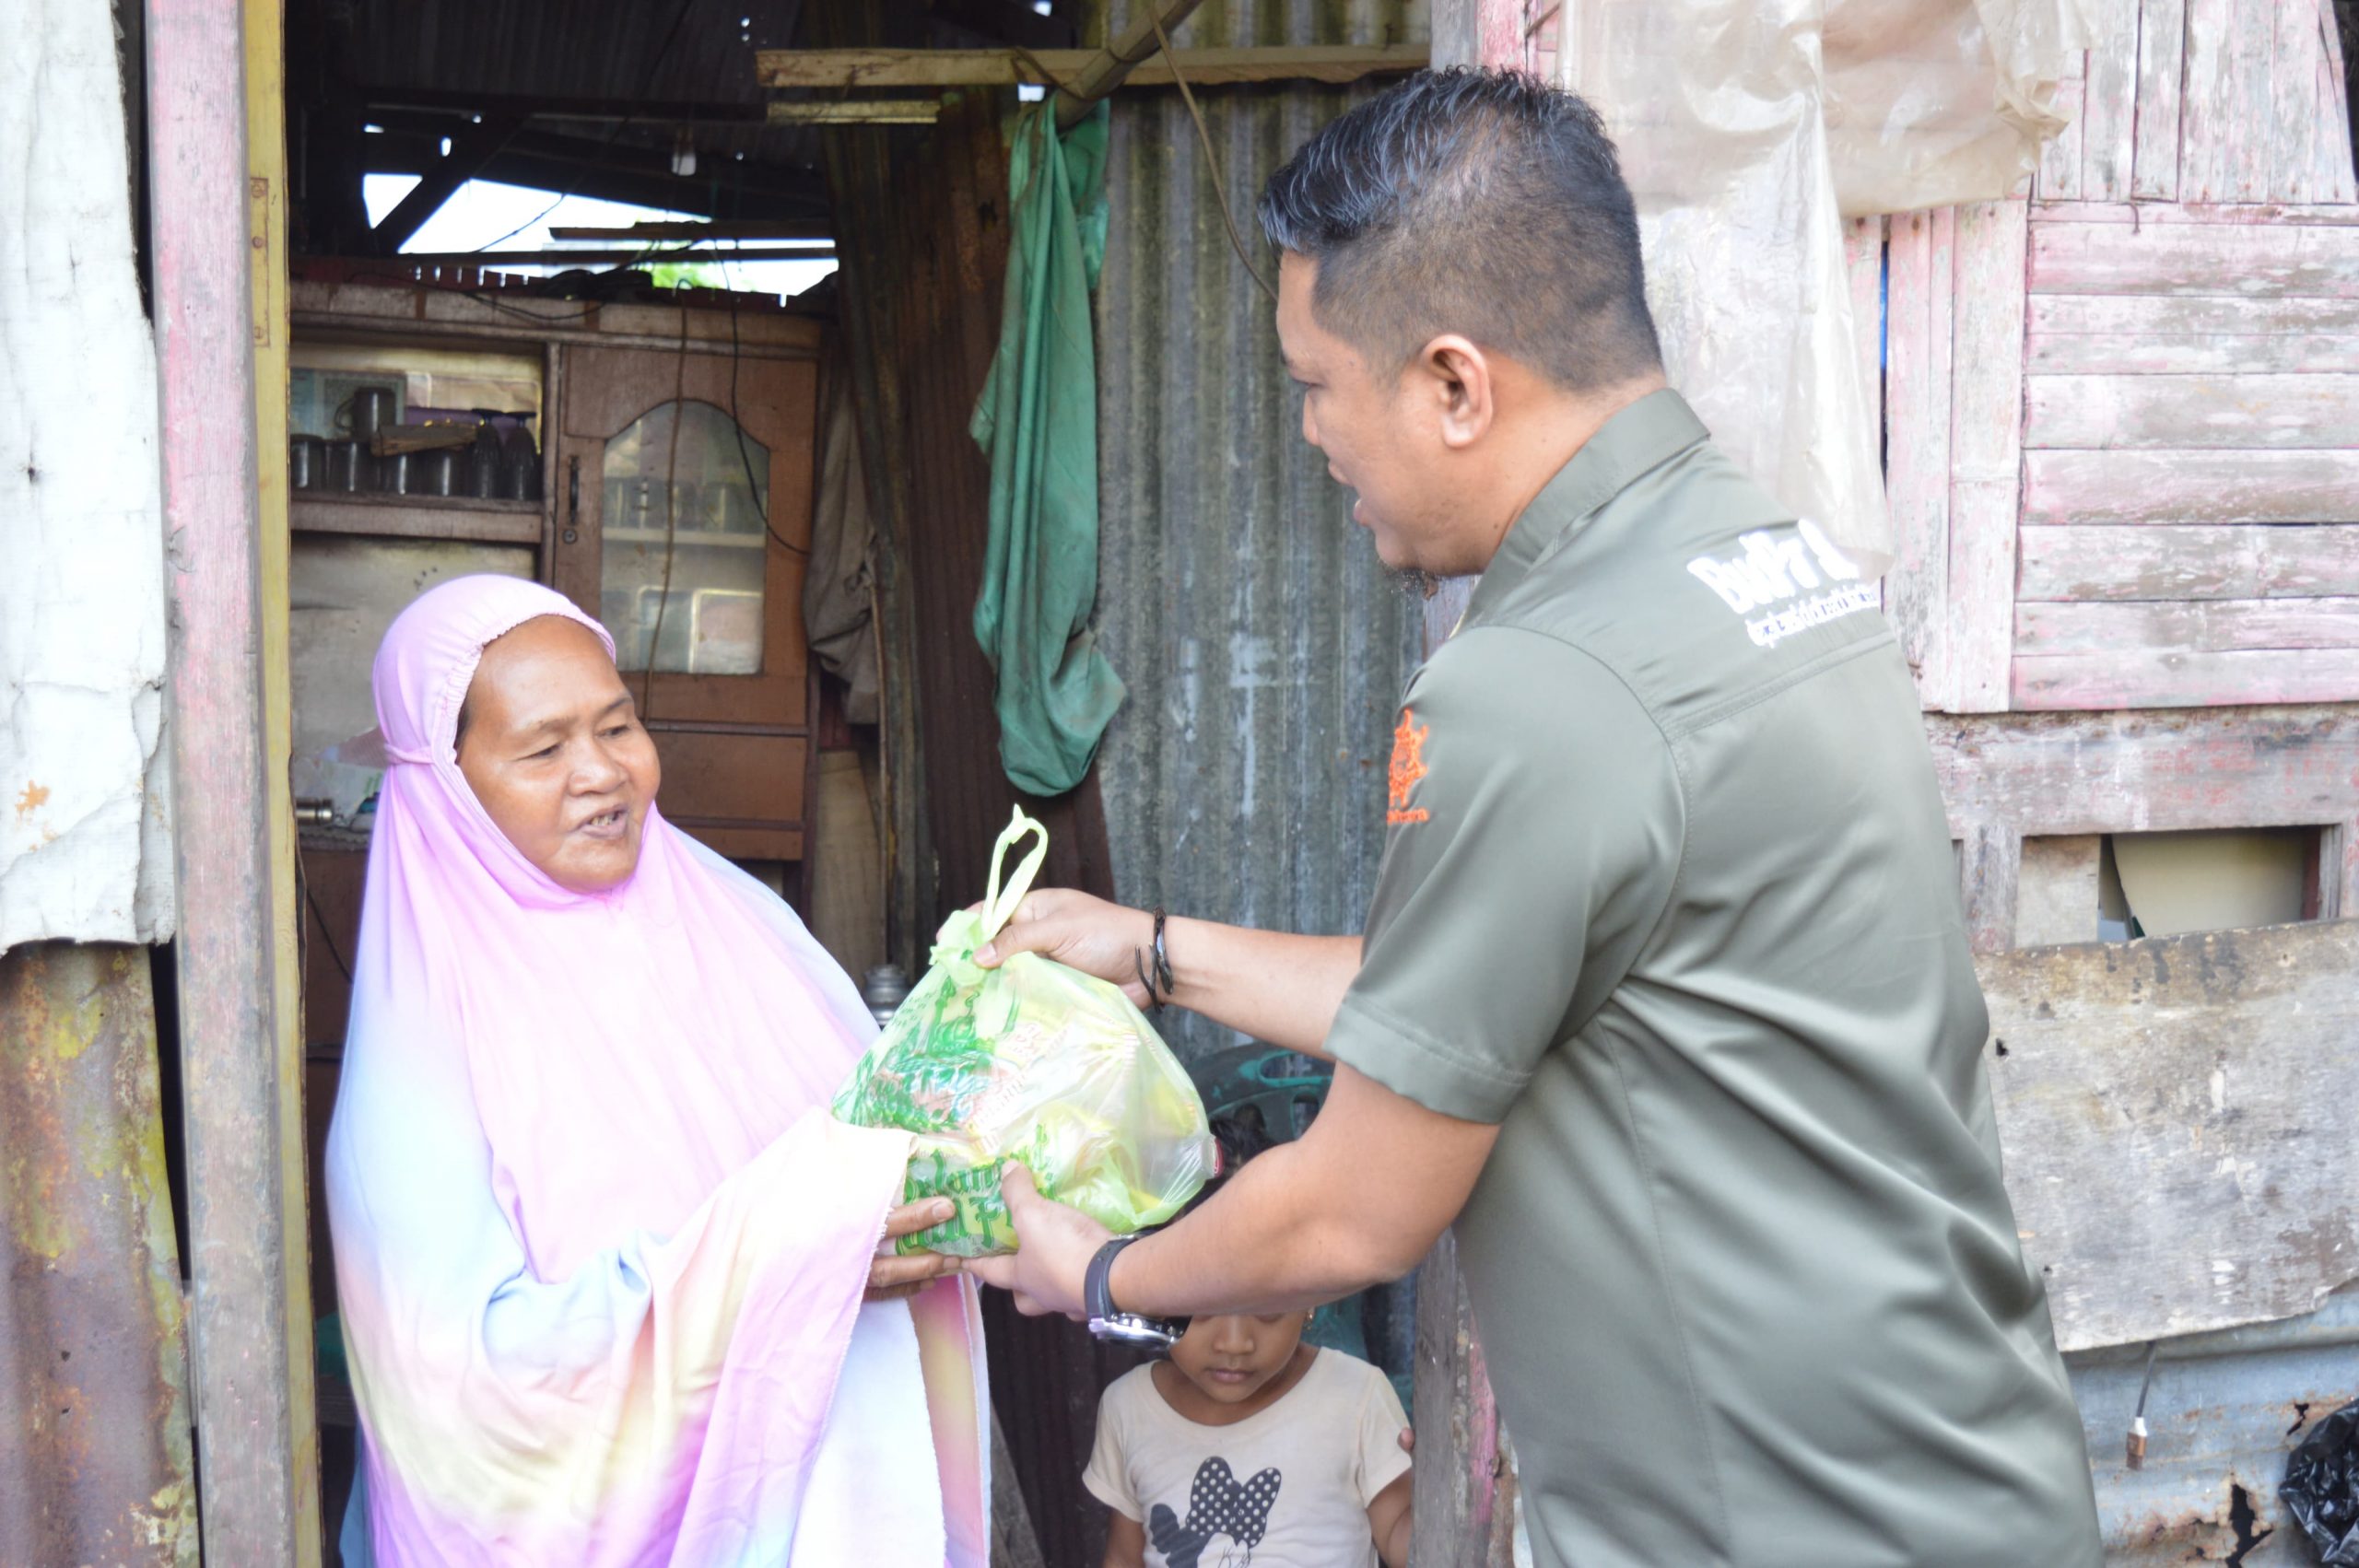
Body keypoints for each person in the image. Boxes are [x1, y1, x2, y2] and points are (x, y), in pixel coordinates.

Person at [970, 67, 2106, 1568]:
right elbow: (1479, 1004)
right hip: (1963, 1484)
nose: (1311, 434)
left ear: (1455, 384)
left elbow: (1354, 1209)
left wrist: (1104, 1270)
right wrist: (1152, 948)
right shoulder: (1760, 568)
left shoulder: (1534, 682)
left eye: (1317, 384)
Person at [324, 575, 982, 1566]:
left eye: (618, 726)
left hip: (845, 1490)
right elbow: (458, 1394)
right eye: (543, 749)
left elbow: (876, 1136)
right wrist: (777, 1257)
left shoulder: (741, 923)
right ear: (446, 783)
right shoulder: (425, 1047)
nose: (601, 773)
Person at [1084, 1119, 1412, 1568]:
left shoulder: (1357, 1398)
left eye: (1266, 1307)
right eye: (1203, 1305)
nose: (1235, 1343)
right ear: (1153, 1288)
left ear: (1311, 1294)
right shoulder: (1129, 1410)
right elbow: (1124, 1557)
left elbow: (1405, 1541)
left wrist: (1439, 1488)